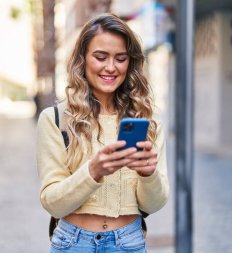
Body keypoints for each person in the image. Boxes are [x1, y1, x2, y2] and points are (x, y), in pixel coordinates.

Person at [37, 13, 169, 252]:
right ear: (83, 59)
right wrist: (93, 171)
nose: (110, 67)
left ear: (130, 63)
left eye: (120, 58)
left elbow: (155, 203)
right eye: (100, 57)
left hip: (129, 243)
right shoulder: (55, 119)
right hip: (72, 243)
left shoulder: (148, 121)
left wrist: (148, 174)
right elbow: (52, 203)